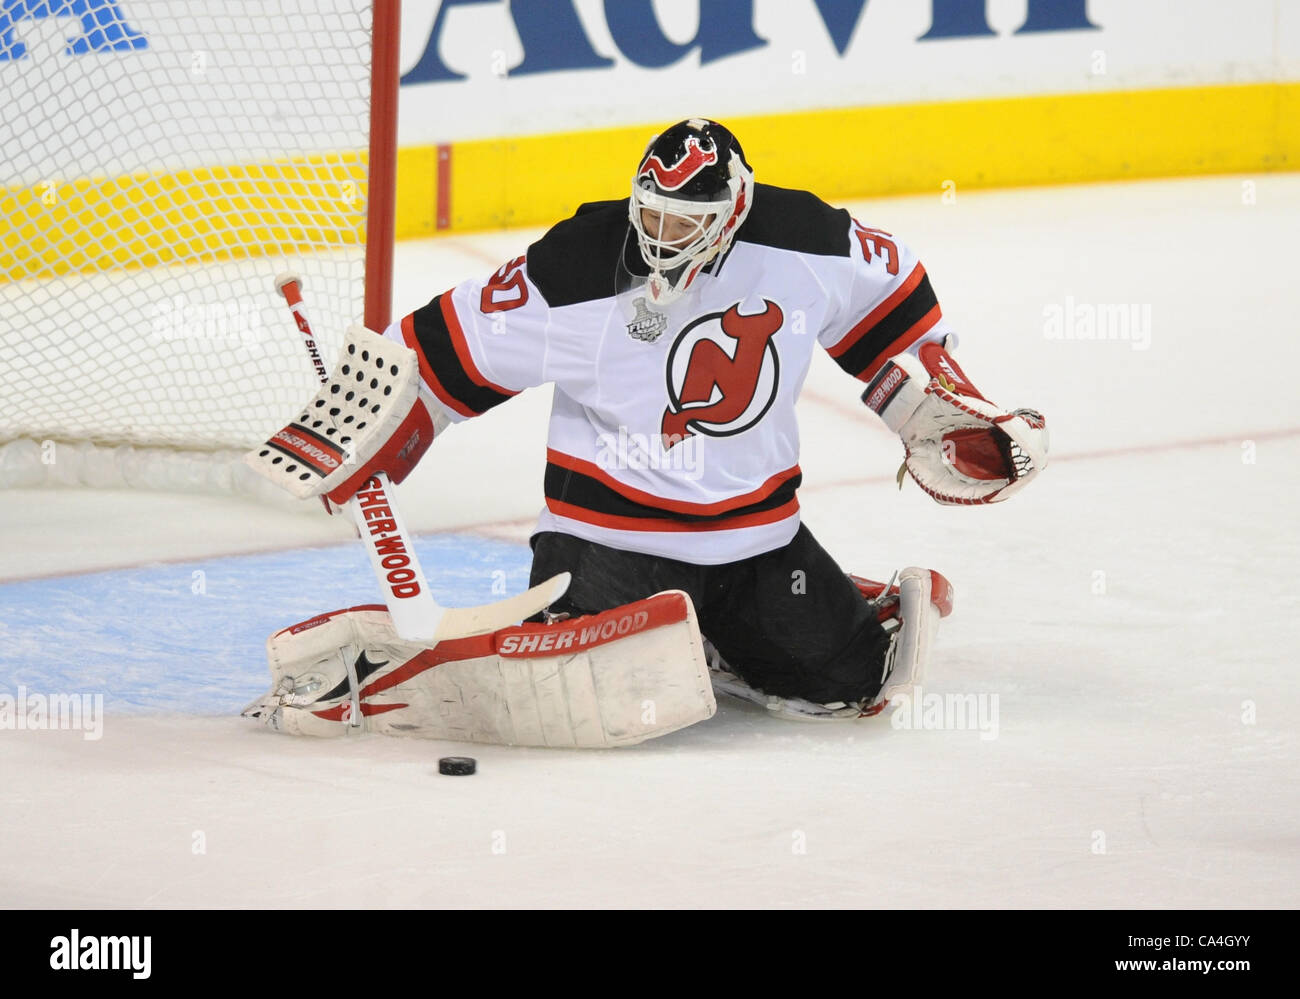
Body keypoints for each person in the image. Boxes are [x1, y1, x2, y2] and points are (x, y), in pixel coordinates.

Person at [245, 117, 1048, 736]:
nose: (659, 239)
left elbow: (897, 303)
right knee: (587, 699)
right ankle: (404, 669)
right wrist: (367, 430)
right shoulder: (577, 268)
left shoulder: (806, 243)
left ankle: (751, 623)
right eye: (651, 217)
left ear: (733, 212)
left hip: (758, 542)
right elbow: (435, 354)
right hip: (608, 541)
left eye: (681, 224)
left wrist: (944, 398)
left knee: (852, 687)